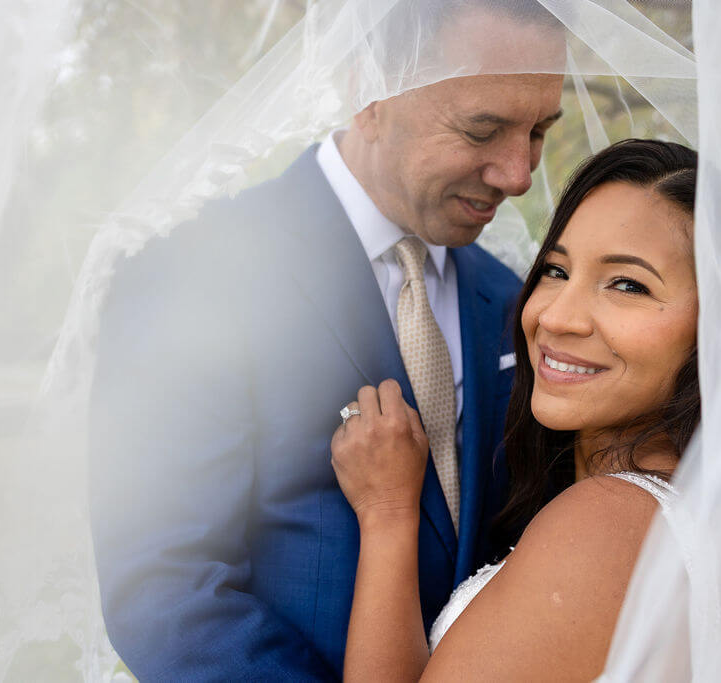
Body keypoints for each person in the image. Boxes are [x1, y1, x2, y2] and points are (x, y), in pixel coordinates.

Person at [88, 3, 565, 679]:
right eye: (482, 129)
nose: (518, 175)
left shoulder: (511, 298)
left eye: (540, 132)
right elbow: (165, 588)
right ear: (368, 91)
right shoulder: (194, 270)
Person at [331, 138, 701, 681]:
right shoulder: (699, 516)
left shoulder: (609, 522)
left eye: (628, 284)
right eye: (555, 270)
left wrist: (388, 514)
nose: (557, 317)